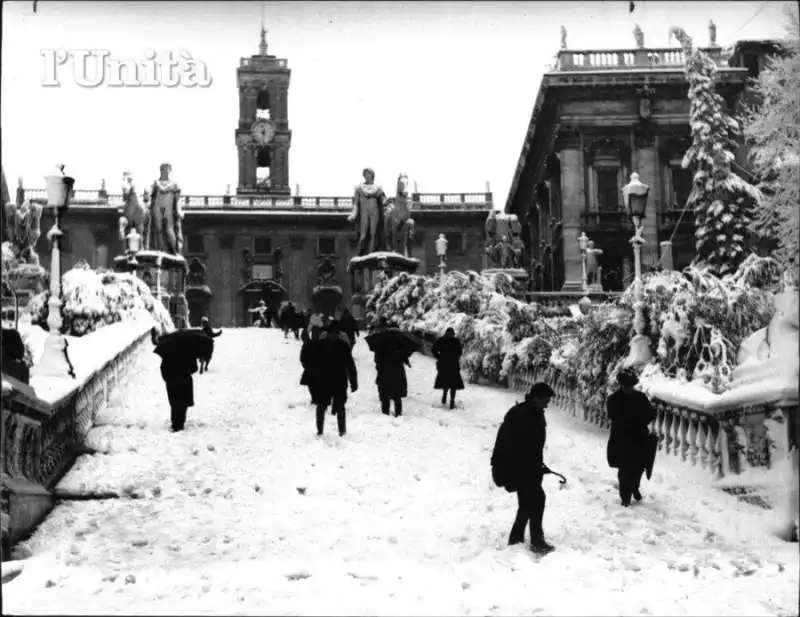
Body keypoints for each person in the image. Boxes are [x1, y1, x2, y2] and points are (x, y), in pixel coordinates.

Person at [491, 382, 556, 554]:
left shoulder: (532, 412)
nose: (547, 404)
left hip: (525, 466)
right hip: (515, 467)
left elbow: (533, 446)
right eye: (545, 400)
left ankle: (516, 538)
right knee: (537, 498)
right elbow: (514, 446)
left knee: (527, 503)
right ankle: (536, 540)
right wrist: (527, 469)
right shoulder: (522, 414)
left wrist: (539, 466)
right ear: (535, 397)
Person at [606, 368, 657, 507]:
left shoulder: (640, 398)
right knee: (624, 469)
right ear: (621, 385)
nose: (629, 388)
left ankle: (634, 486)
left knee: (639, 467)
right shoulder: (614, 400)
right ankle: (625, 497)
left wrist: (643, 419)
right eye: (626, 386)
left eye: (631, 386)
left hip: (639, 438)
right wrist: (627, 421)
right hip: (621, 439)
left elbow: (650, 414)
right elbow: (614, 417)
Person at [315, 320, 358, 437]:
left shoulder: (341, 346)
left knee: (338, 407)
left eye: (335, 334)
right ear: (329, 334)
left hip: (337, 380)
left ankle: (341, 430)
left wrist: (353, 381)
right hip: (327, 380)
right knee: (323, 406)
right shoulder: (323, 345)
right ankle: (321, 430)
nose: (334, 336)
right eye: (332, 333)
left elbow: (350, 364)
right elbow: (315, 364)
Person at [152, 327, 198, 433]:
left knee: (175, 403)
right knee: (183, 402)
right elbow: (194, 368)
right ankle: (181, 422)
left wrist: (167, 378)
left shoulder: (168, 349)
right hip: (185, 380)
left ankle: (176, 424)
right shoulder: (189, 350)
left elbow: (163, 368)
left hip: (172, 380)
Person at [374, 337, 412, 418]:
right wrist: (407, 362)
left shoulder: (381, 347)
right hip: (397, 373)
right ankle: (398, 412)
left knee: (385, 393)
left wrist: (378, 367)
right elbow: (405, 355)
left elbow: (377, 360)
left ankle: (385, 412)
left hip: (384, 372)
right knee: (397, 394)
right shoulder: (400, 346)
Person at [432, 327, 464, 409]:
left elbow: (433, 349)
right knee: (453, 384)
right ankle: (452, 400)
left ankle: (444, 395)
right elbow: (460, 352)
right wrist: (455, 357)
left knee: (445, 381)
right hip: (453, 365)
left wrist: (439, 357)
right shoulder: (456, 341)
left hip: (443, 364)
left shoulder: (441, 340)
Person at [300, 325, 323, 405]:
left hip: (320, 369)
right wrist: (306, 365)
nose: (315, 335)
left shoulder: (323, 343)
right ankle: (314, 398)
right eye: (314, 333)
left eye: (317, 333)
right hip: (310, 368)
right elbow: (302, 357)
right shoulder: (308, 344)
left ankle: (319, 398)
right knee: (311, 385)